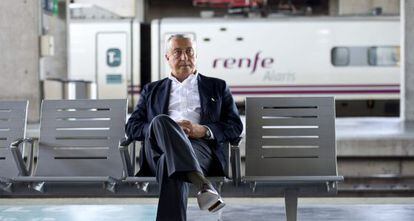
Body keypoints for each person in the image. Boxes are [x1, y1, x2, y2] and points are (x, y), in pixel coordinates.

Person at [125, 34, 243, 221]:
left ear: (196, 55)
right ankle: (202, 184)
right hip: (156, 149)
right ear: (167, 57)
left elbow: (235, 126)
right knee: (161, 121)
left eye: (189, 51)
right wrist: (163, 130)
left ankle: (202, 185)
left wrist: (202, 130)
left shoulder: (217, 87)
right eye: (177, 52)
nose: (184, 57)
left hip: (199, 148)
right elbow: (132, 127)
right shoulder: (152, 90)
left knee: (168, 162)